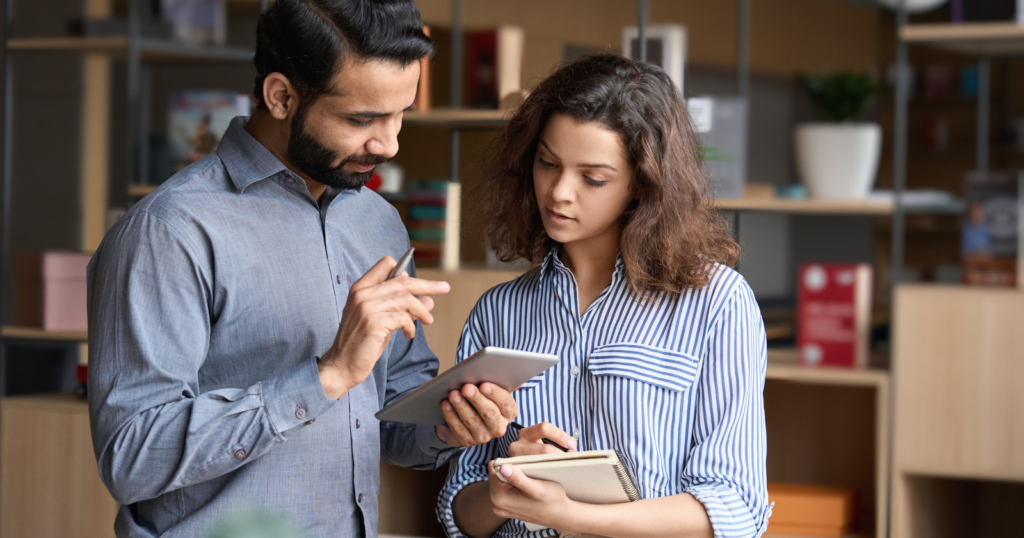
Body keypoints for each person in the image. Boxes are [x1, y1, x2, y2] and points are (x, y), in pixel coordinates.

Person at [87, 1, 517, 537]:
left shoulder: (377, 221)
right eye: (362, 119)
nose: (389, 143)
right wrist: (327, 375)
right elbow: (131, 459)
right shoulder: (168, 232)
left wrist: (451, 422)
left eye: (400, 112)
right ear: (281, 96)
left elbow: (386, 421)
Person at [438, 55, 771, 538]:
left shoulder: (717, 303)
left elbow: (735, 507)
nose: (559, 192)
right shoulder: (499, 313)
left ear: (641, 184)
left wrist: (569, 515)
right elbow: (460, 512)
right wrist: (505, 484)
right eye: (547, 163)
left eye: (593, 178)